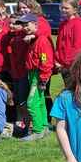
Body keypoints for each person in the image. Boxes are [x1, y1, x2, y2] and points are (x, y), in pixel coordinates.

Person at [17, 13, 54, 142]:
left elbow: (46, 60)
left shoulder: (42, 41)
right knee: (40, 101)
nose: (25, 28)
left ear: (35, 24)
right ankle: (44, 127)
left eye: (27, 24)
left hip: (38, 74)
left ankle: (37, 130)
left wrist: (43, 79)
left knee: (31, 102)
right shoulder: (34, 39)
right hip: (33, 74)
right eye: (23, 25)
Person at [55, 0, 81, 86]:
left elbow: (78, 47)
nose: (63, 10)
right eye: (62, 8)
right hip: (62, 65)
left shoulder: (78, 23)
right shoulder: (62, 24)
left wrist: (66, 64)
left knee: (74, 89)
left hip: (72, 65)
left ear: (75, 10)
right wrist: (57, 60)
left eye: (66, 8)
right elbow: (59, 45)